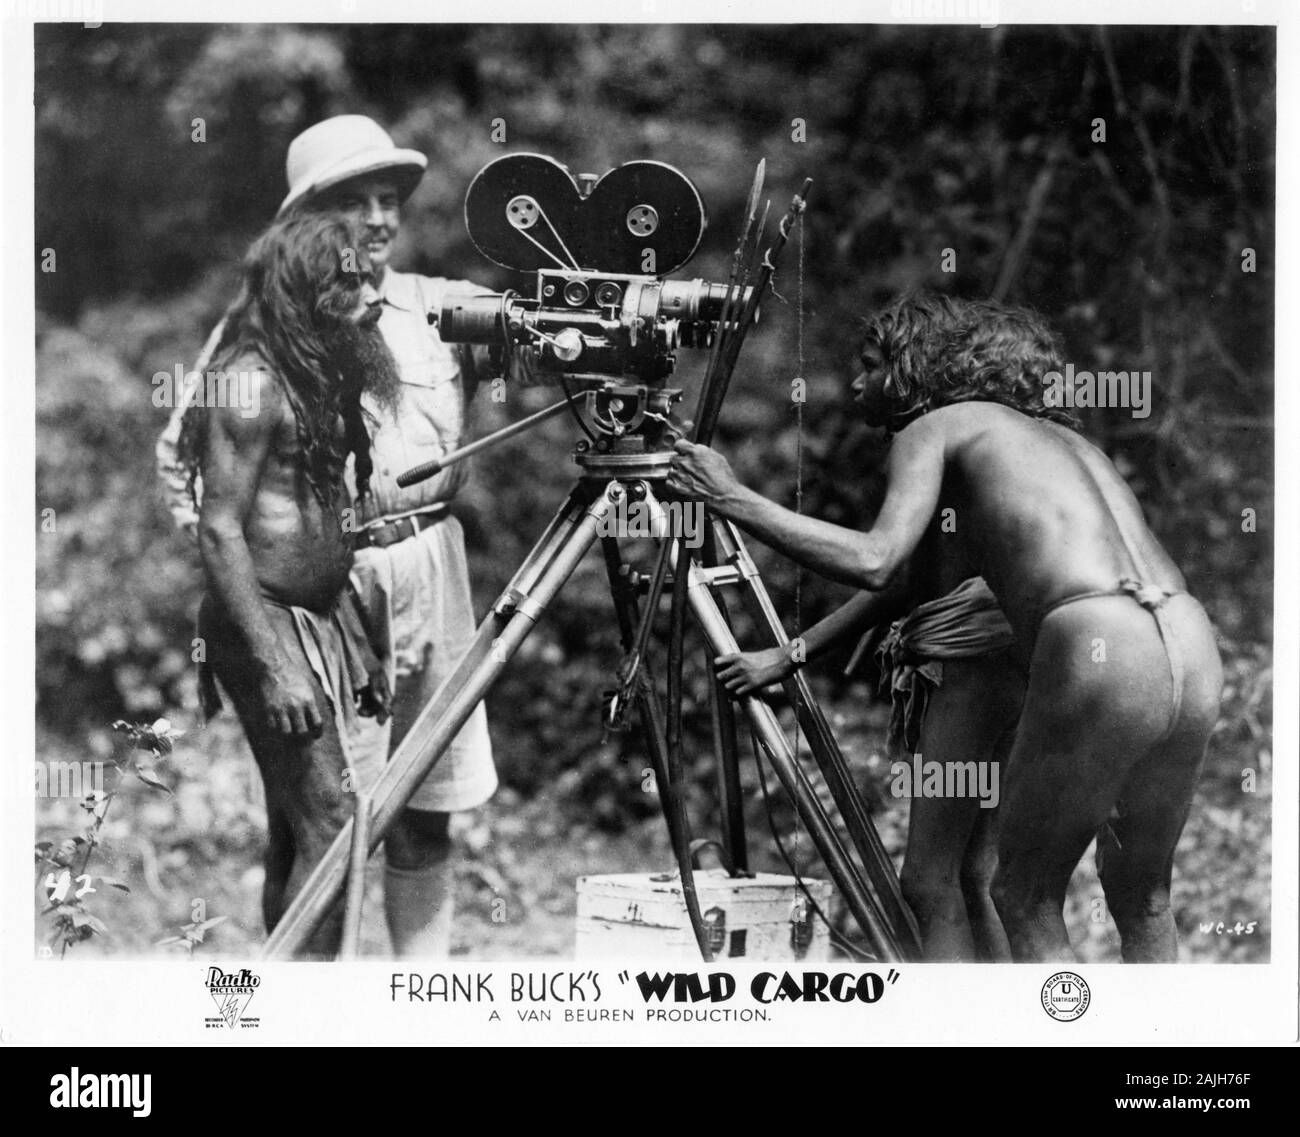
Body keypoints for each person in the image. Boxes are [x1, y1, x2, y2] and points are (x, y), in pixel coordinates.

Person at [670, 292, 1223, 962]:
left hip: (1097, 641)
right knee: (1145, 898)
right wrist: (789, 655)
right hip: (1187, 636)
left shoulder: (934, 429)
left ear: (918, 371)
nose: (855, 383)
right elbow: (908, 583)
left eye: (871, 365)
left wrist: (730, 496)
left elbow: (875, 560)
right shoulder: (1064, 441)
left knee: (1024, 897)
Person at [160, 116, 498, 957]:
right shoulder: (253, 351)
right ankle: (304, 1010)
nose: (379, 222)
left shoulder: (408, 312)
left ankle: (391, 1000)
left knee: (399, 813)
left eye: (391, 203)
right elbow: (205, 504)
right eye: (357, 203)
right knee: (332, 822)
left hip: (397, 582)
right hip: (303, 603)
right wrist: (262, 611)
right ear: (306, 223)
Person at [182, 212, 398, 957]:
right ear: (304, 289)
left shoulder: (315, 374)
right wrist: (275, 663)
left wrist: (355, 639)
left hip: (311, 619)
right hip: (261, 623)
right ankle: (305, 1022)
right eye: (349, 281)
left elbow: (315, 523)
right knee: (336, 826)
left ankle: (277, 1011)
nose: (371, 294)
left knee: (296, 829)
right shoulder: (248, 383)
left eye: (368, 277)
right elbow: (219, 531)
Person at [715, 577, 1023, 962]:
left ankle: (955, 1018)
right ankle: (1012, 1015)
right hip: (1011, 651)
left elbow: (884, 567)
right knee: (976, 876)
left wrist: (786, 656)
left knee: (930, 881)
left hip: (966, 659)